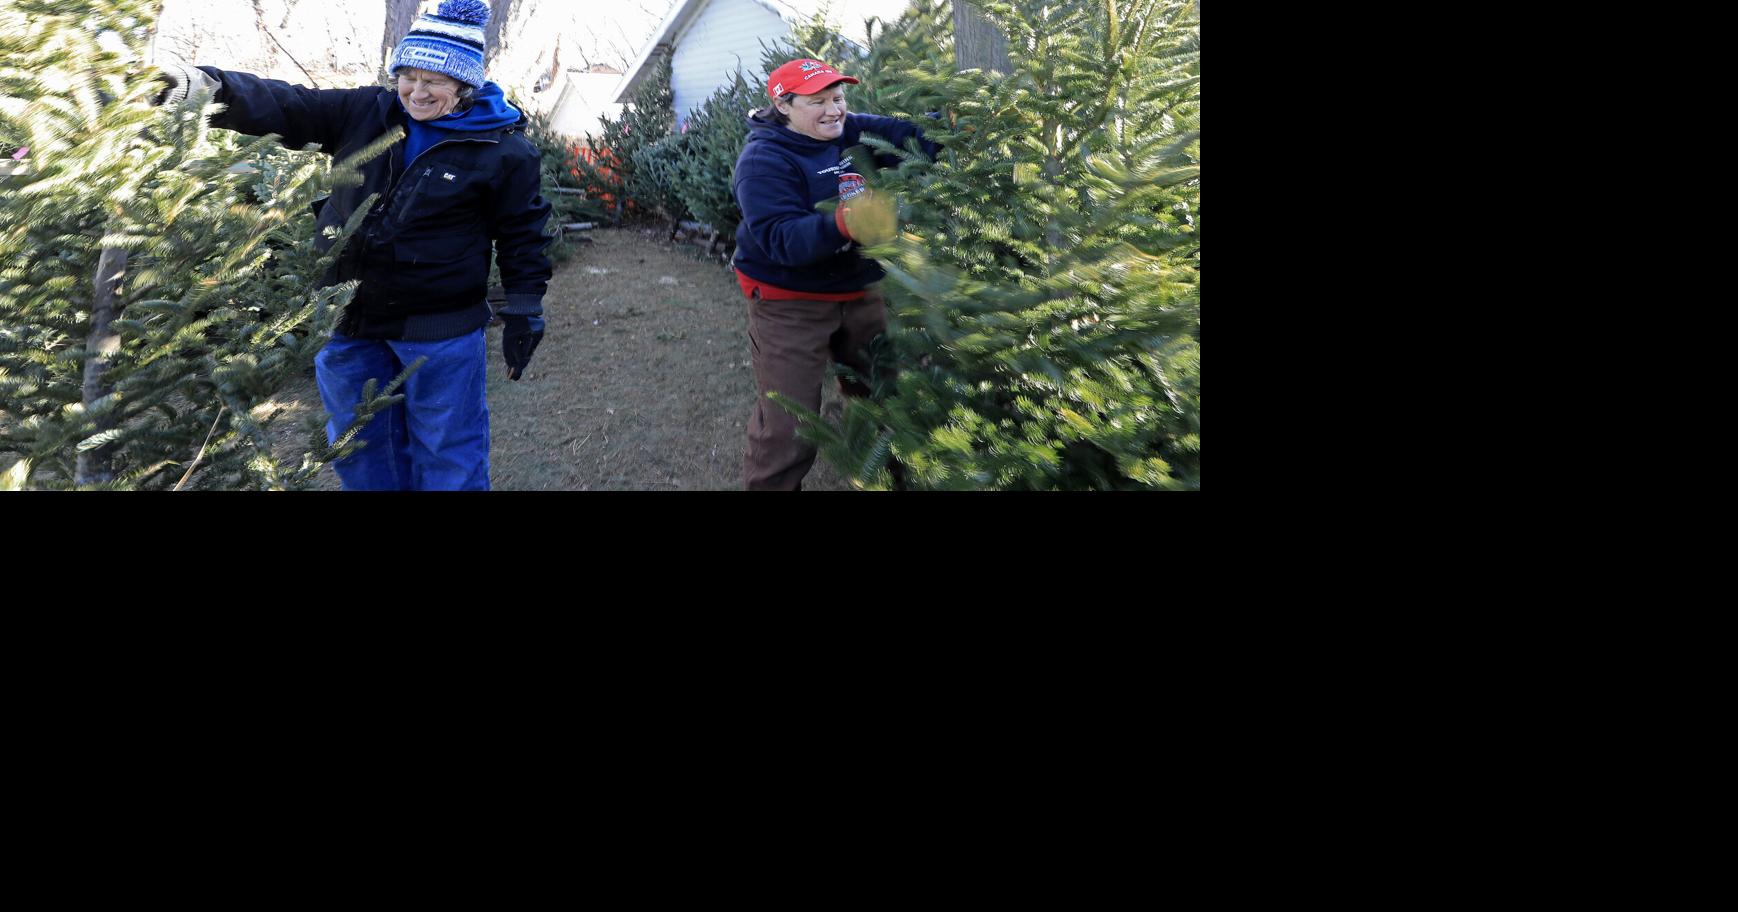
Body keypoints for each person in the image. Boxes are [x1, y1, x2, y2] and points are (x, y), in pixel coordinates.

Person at [155, 0, 551, 490]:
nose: (417, 92)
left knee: (449, 455)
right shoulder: (367, 111)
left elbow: (523, 235)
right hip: (346, 318)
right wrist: (209, 88)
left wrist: (525, 307)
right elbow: (289, 104)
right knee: (358, 448)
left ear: (464, 86)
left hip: (439, 332)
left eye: (435, 82)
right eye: (409, 76)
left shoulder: (504, 149)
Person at [731, 58, 940, 491]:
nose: (834, 110)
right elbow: (780, 239)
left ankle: (886, 479)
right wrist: (844, 223)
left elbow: (913, 136)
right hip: (788, 302)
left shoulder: (851, 130)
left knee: (880, 396)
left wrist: (955, 122)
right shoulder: (763, 160)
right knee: (789, 422)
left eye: (838, 98)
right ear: (784, 106)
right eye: (818, 101)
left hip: (858, 289)